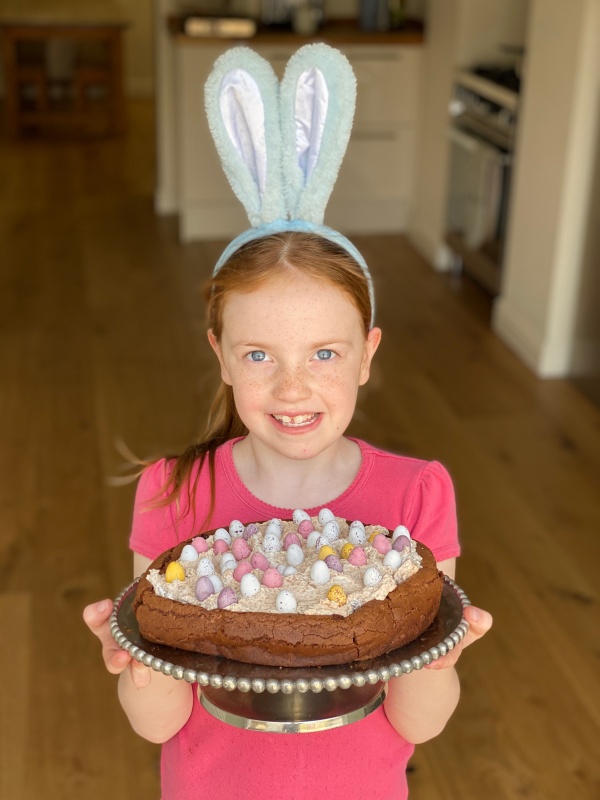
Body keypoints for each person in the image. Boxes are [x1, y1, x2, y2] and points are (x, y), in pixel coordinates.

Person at [84, 44, 492, 800]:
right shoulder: (174, 493)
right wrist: (140, 666)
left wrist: (439, 660)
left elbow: (421, 723)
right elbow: (157, 723)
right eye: (260, 354)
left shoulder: (416, 496)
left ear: (368, 355)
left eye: (325, 353)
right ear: (221, 356)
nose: (293, 386)